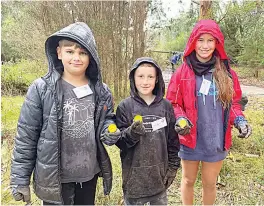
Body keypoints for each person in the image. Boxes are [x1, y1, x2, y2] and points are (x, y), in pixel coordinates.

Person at [10, 22, 120, 205]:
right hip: (55, 178)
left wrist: (109, 130)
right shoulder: (41, 89)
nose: (76, 57)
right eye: (70, 51)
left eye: (83, 52)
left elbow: (106, 120)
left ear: (91, 57)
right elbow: (26, 137)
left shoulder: (102, 91)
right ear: (59, 53)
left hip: (87, 175)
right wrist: (20, 180)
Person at [166, 19, 252, 205]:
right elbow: (172, 103)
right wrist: (180, 118)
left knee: (210, 183)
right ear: (193, 42)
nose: (205, 45)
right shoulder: (182, 73)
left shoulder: (227, 74)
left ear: (217, 43)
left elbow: (234, 104)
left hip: (215, 140)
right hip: (189, 139)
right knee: (188, 180)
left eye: (210, 40)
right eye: (200, 40)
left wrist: (240, 121)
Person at [102, 57, 180, 205]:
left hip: (159, 179)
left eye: (150, 76)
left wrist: (173, 167)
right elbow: (121, 144)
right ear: (133, 78)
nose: (145, 82)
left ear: (157, 79)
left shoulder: (166, 107)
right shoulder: (125, 107)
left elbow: (173, 141)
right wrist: (132, 133)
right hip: (134, 180)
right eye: (140, 76)